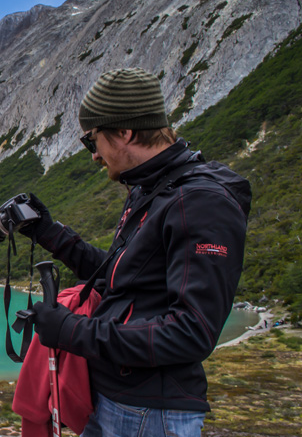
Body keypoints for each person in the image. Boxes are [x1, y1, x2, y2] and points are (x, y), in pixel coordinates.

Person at [21, 68, 251, 437]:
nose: (94, 156)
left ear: (125, 132)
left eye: (92, 140)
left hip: (150, 414)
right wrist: (49, 232)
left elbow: (192, 332)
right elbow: (123, 278)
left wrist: (69, 330)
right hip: (118, 400)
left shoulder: (201, 202)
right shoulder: (153, 190)